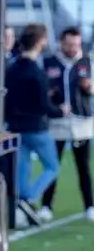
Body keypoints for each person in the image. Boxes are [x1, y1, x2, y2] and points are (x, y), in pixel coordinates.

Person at [5, 23, 67, 226]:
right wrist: (61, 111)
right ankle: (29, 198)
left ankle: (23, 203)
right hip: (36, 127)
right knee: (52, 166)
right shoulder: (37, 72)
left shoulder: (12, 69)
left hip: (15, 126)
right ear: (41, 42)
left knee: (23, 168)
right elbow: (43, 105)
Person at [42, 27, 94, 220]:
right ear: (62, 43)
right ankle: (46, 206)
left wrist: (88, 88)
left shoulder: (87, 62)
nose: (73, 48)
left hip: (82, 123)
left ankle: (89, 206)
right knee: (52, 165)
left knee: (83, 167)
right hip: (57, 123)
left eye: (76, 44)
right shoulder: (49, 62)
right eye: (69, 44)